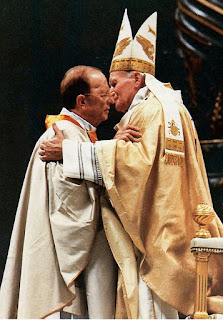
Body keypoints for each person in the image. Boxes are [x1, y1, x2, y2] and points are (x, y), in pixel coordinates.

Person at [39, 10, 223, 319]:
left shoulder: (149, 112)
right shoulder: (170, 106)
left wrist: (70, 153)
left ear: (136, 78)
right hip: (177, 227)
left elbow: (132, 167)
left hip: (156, 238)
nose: (110, 93)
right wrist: (116, 142)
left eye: (113, 83)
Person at [0, 65, 141, 319]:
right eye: (102, 93)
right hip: (66, 262)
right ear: (82, 101)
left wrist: (112, 148)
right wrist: (115, 150)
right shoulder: (61, 135)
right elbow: (71, 205)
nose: (110, 97)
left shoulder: (79, 133)